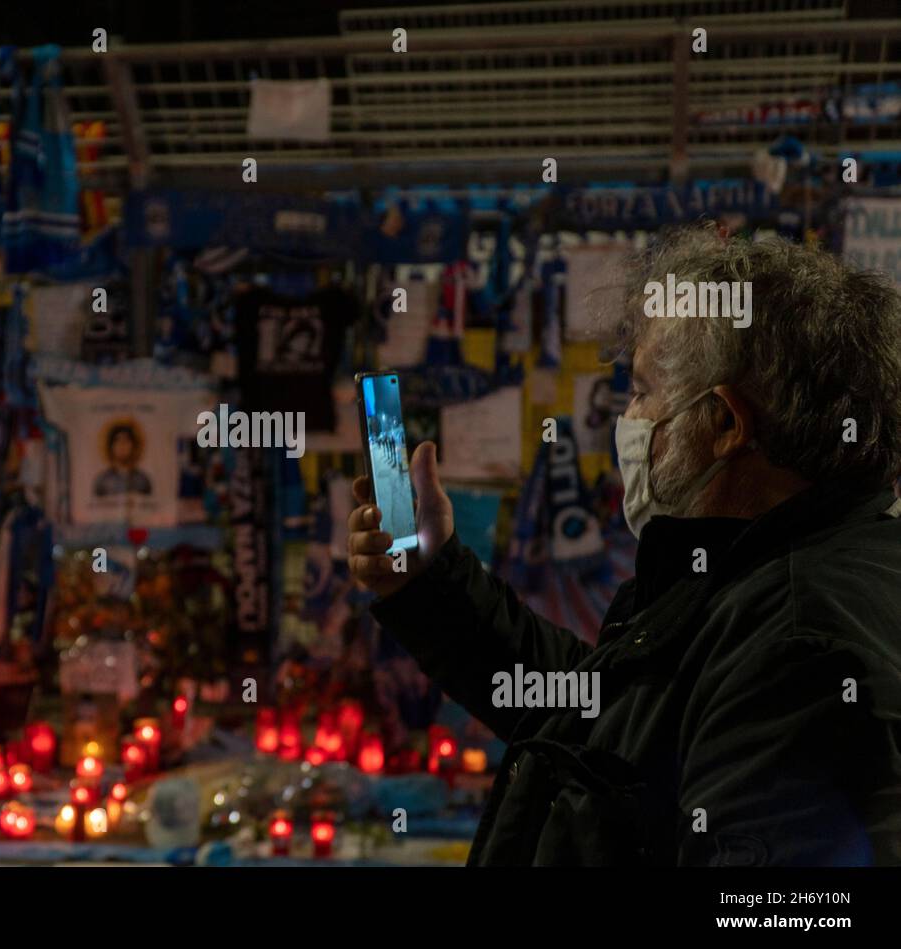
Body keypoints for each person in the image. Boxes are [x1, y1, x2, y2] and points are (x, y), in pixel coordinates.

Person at [349, 225, 901, 865]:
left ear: (723, 423)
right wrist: (428, 582)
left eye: (641, 392)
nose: (629, 421)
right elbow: (599, 723)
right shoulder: (759, 573)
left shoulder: (800, 646)